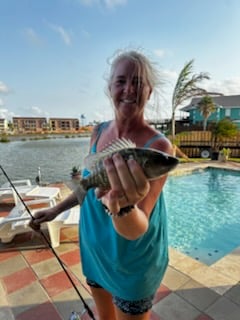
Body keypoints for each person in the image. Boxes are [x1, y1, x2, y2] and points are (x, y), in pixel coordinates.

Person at [30, 49, 173, 320]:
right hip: (95, 247)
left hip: (132, 260)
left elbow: (137, 225)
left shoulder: (159, 148)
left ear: (149, 91)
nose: (129, 88)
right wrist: (55, 210)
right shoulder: (97, 131)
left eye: (138, 82)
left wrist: (123, 206)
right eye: (121, 81)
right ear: (110, 88)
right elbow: (88, 185)